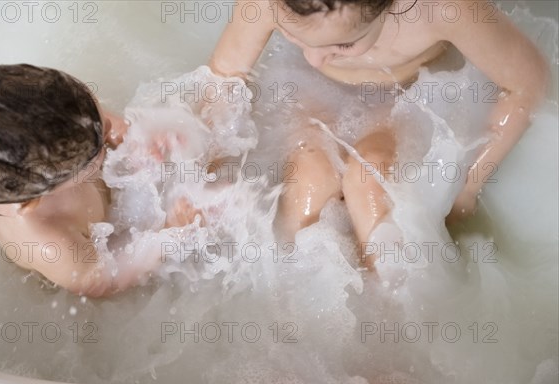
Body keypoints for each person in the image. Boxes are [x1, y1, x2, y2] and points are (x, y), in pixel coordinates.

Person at [208, 0, 548, 267]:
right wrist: (209, 165)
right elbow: (223, 82)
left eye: (343, 44)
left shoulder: (442, 7)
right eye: (293, 35)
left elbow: (527, 84)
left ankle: (393, 328)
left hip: (412, 95)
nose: (313, 58)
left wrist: (467, 185)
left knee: (372, 182)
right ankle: (295, 327)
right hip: (310, 96)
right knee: (308, 183)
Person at [0, 64, 198, 297]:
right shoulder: (50, 245)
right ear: (32, 202)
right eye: (99, 143)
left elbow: (94, 122)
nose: (106, 129)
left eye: (101, 121)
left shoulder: (59, 110)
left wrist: (133, 138)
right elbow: (105, 280)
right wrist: (168, 237)